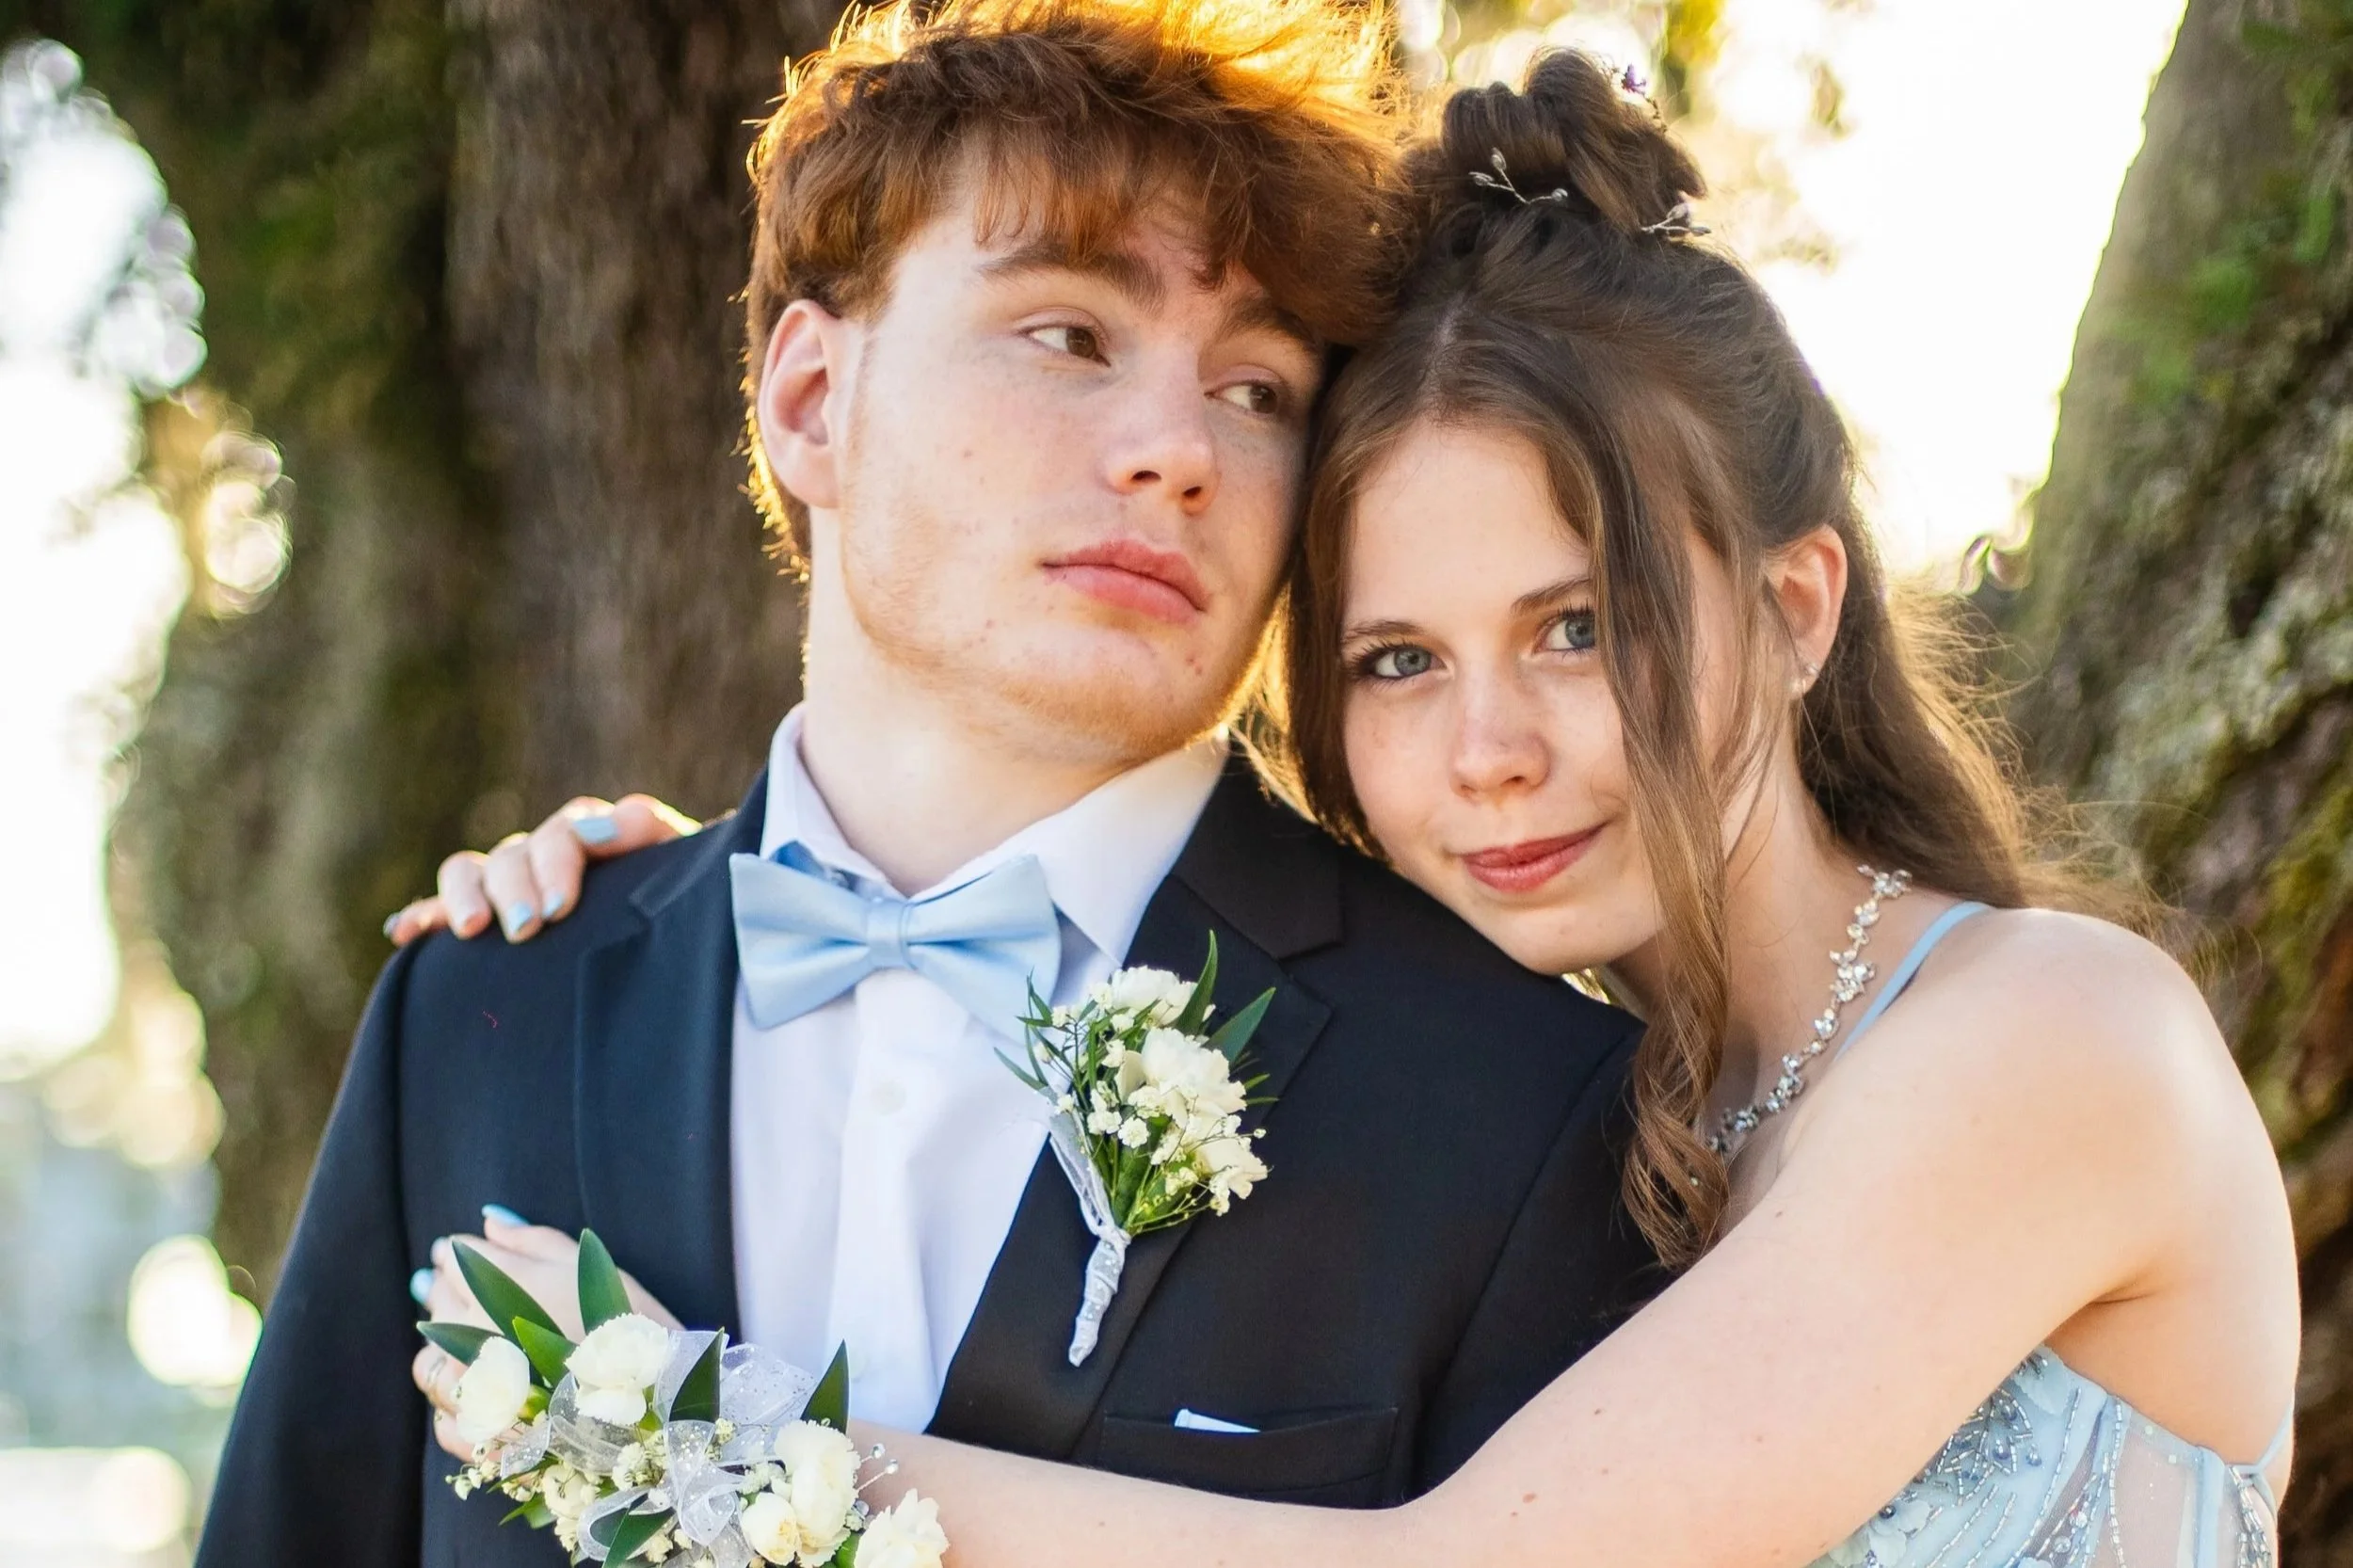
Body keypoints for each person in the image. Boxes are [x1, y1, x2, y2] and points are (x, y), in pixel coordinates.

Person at [414, 52, 2301, 1568]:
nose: (1483, 745)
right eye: (1395, 658)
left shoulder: (2048, 1038)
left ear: (1794, 607)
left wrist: (681, 1432)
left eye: (1573, 626)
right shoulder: (1584, 1113)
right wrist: (712, 901)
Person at [197, 5, 1667, 1564]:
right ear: (811, 400)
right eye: (1071, 335)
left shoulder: (1516, 1102)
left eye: (1257, 391)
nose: (1180, 448)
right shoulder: (481, 1011)